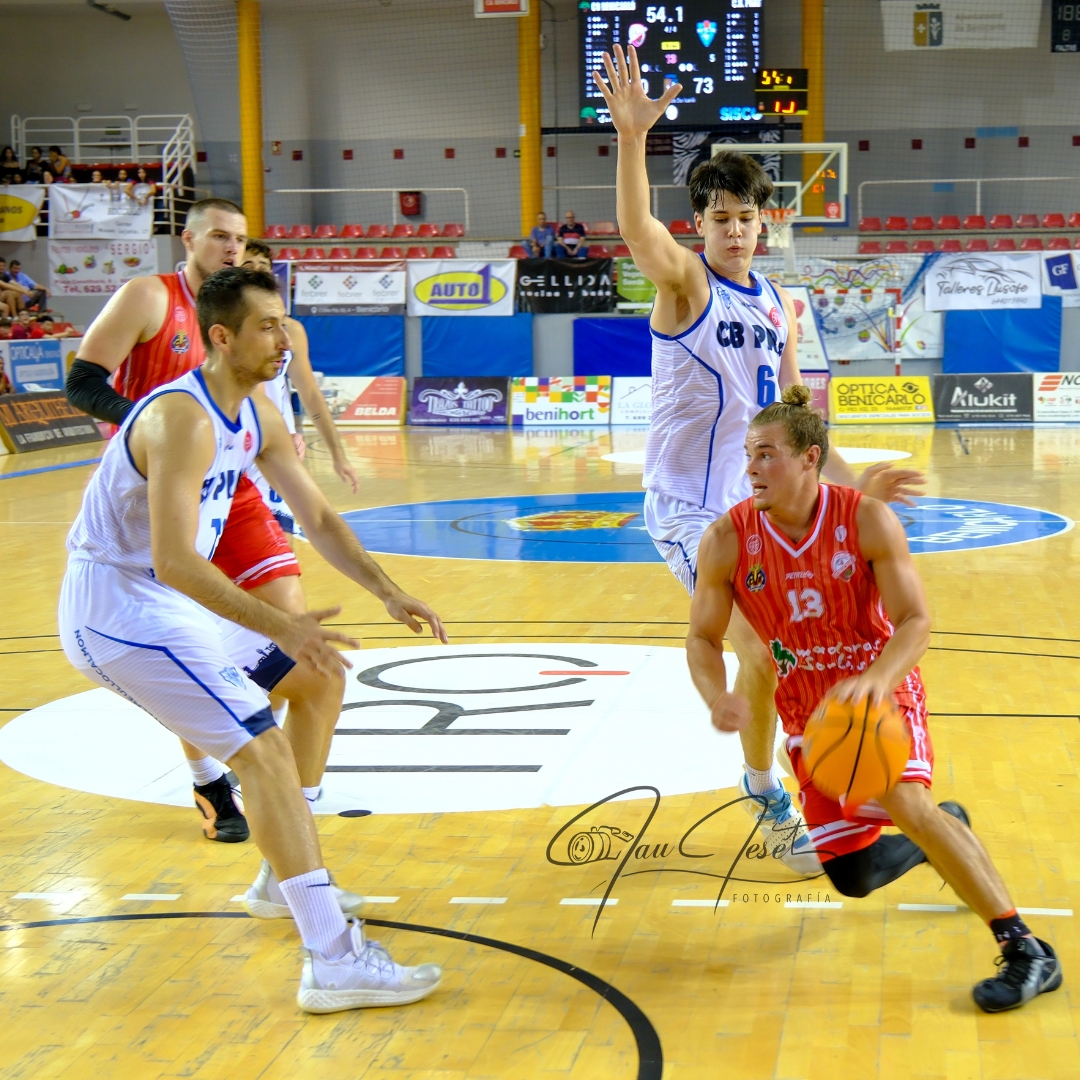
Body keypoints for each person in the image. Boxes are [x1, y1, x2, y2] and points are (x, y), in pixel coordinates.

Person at [59, 265, 447, 1013]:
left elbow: (321, 520)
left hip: (164, 600)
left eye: (284, 322)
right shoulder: (182, 417)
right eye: (268, 326)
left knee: (316, 679)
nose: (284, 338)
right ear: (220, 336)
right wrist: (282, 624)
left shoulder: (258, 412)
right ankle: (333, 957)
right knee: (261, 745)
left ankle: (281, 875)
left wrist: (388, 590)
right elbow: (173, 562)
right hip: (118, 607)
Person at [592, 43, 924, 872]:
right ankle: (770, 797)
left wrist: (853, 491)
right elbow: (637, 229)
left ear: (765, 226)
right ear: (699, 226)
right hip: (687, 509)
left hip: (761, 504)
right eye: (719, 217)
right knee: (756, 648)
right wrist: (633, 137)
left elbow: (796, 425)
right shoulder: (684, 286)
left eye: (747, 217)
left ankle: (800, 787)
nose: (734, 229)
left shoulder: (778, 304)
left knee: (796, 649)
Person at [687, 385, 1064, 1013]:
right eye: (748, 455)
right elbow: (701, 637)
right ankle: (941, 832)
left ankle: (1026, 947)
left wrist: (878, 680)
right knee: (852, 876)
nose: (751, 469)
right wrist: (717, 693)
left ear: (810, 458)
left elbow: (915, 619)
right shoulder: (727, 539)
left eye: (767, 455)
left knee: (905, 801)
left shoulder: (864, 518)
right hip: (808, 710)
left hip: (879, 690)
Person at [65, 198, 347, 848]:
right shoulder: (147, 296)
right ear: (188, 239)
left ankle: (268, 771)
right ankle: (210, 775)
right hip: (161, 488)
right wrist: (153, 421)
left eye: (241, 239)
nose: (230, 247)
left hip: (236, 481)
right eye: (219, 236)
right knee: (184, 631)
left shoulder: (251, 314)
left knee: (289, 630)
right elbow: (81, 379)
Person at [241, 239, 359, 527]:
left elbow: (311, 396)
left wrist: (338, 455)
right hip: (236, 449)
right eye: (249, 264)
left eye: (264, 266)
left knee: (282, 554)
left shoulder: (291, 330)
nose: (258, 271)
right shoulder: (219, 328)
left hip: (278, 452)